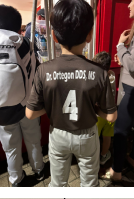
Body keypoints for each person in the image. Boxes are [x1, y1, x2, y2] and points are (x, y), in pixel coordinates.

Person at [25, 0, 117, 187]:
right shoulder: (100, 72)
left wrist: (54, 105)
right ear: (89, 35)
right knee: (89, 183)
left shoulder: (44, 70)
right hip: (87, 135)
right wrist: (92, 108)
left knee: (58, 183)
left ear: (54, 36)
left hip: (58, 133)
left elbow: (30, 113)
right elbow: (111, 116)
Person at [0, 5, 44, 187]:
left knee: (11, 148)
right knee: (34, 140)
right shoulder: (24, 43)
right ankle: (40, 171)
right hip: (27, 105)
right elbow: (36, 70)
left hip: (2, 111)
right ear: (18, 28)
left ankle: (16, 180)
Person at [102, 0, 134, 182]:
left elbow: (132, 64)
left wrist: (119, 46)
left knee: (119, 129)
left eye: (132, 1)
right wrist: (124, 56)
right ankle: (133, 158)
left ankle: (116, 171)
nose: (128, 5)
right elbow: (133, 61)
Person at [92, 51, 115, 165]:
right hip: (111, 112)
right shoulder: (111, 76)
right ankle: (103, 156)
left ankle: (93, 158)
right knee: (107, 137)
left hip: (99, 114)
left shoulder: (96, 79)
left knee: (94, 139)